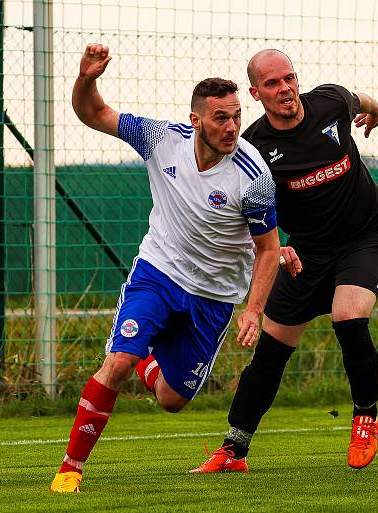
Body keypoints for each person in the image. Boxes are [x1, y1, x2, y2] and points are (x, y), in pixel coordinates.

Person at [50, 44, 281, 493]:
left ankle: (145, 356)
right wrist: (86, 79)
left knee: (172, 400)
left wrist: (253, 310)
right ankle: (71, 468)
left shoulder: (253, 177)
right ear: (197, 120)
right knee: (116, 363)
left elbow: (268, 250)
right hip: (158, 273)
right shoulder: (161, 138)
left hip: (213, 296)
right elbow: (93, 114)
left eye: (235, 116)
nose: (231, 126)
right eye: (220, 118)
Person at [191, 49, 378, 473]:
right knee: (271, 352)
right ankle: (233, 450)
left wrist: (374, 115)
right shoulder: (254, 148)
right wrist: (276, 247)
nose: (285, 88)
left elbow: (366, 101)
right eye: (272, 83)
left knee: (348, 317)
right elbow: (242, 215)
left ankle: (365, 419)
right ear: (255, 92)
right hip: (305, 253)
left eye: (289, 78)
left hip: (366, 237)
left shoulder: (332, 102)